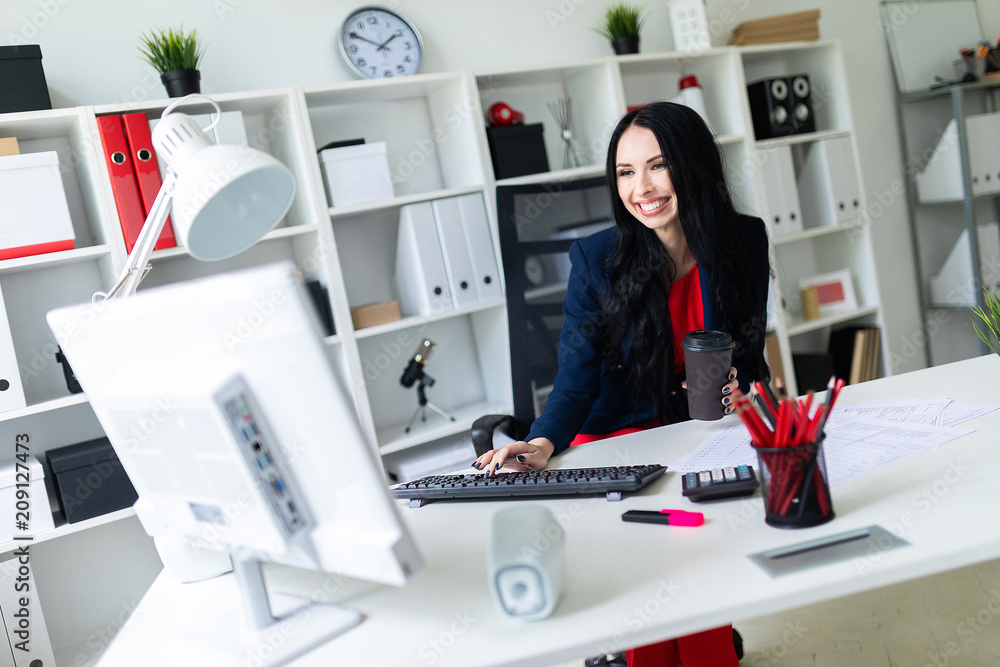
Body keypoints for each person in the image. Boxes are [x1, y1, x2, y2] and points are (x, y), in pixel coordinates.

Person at [473, 101, 771, 666]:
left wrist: (742, 385)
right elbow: (574, 383)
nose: (642, 188)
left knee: (700, 557)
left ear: (693, 165)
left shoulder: (743, 241)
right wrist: (540, 442)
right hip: (618, 438)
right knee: (665, 568)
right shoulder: (597, 260)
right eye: (626, 172)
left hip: (697, 433)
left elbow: (752, 359)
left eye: (658, 166)